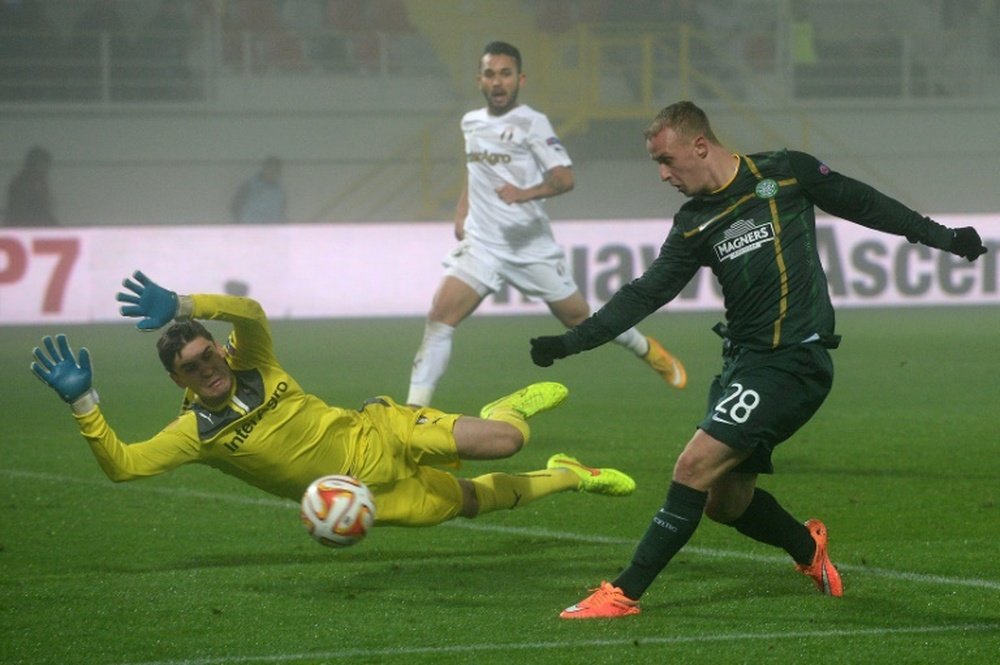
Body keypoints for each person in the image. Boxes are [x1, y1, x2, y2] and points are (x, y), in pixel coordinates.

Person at [529, 101, 989, 618]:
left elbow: (863, 202)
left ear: (700, 145)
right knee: (724, 501)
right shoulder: (693, 222)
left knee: (692, 466)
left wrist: (944, 237)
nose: (662, 174)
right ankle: (807, 547)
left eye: (667, 159)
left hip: (794, 361)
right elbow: (645, 293)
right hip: (742, 364)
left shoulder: (783, 173)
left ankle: (623, 593)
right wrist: (573, 341)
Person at [30, 271, 636, 533]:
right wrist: (85, 404)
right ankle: (568, 476)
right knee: (477, 500)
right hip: (368, 495)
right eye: (192, 367)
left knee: (506, 440)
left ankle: (512, 407)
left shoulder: (254, 362)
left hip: (382, 428)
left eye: (208, 354)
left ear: (217, 349)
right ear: (178, 381)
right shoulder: (196, 433)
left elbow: (251, 312)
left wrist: (187, 304)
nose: (208, 367)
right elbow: (125, 466)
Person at [407, 40, 686, 407]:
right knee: (439, 318)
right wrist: (462, 213)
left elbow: (565, 178)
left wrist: (523, 193)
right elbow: (476, 171)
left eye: (505, 74)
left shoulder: (532, 123)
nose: (498, 82)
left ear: (519, 78)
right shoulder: (470, 123)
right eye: (490, 74)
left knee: (578, 319)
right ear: (479, 80)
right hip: (483, 245)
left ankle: (646, 348)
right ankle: (412, 415)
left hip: (530, 247)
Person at [4, 146, 57, 226]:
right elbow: (28, 210)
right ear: (32, 164)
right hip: (23, 227)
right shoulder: (22, 183)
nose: (44, 169)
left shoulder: (39, 182)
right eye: (41, 165)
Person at [231, 156, 287, 224]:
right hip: (249, 227)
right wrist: (239, 223)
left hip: (271, 230)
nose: (272, 172)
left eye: (275, 170)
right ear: (264, 168)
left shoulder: (280, 192)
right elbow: (235, 204)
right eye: (270, 168)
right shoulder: (250, 184)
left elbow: (282, 212)